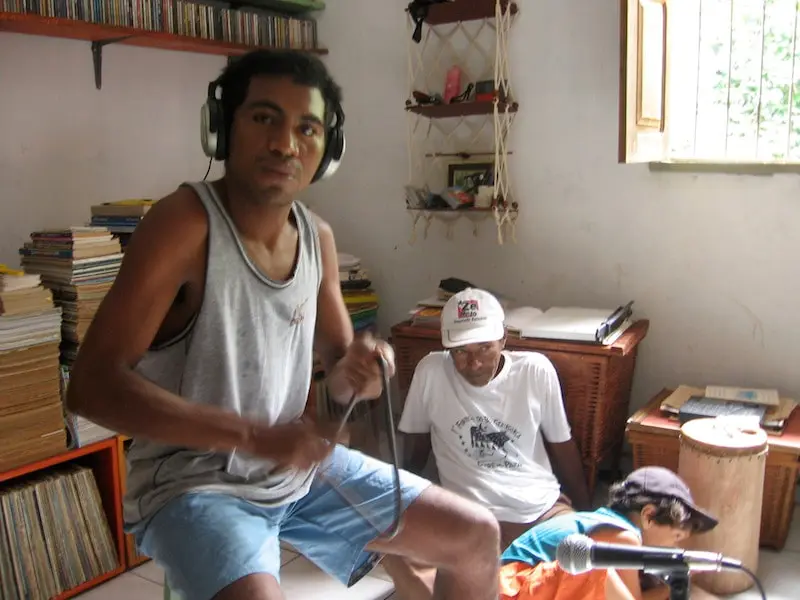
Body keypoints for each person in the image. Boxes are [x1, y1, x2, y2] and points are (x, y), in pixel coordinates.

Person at [65, 50, 500, 600]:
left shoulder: (317, 238)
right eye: (264, 118)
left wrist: (365, 369)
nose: (285, 144)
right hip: (194, 483)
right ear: (222, 128)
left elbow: (340, 369)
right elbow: (91, 386)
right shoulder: (183, 225)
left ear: (329, 150)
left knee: (476, 536)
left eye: (307, 128)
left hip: (294, 471)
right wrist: (252, 436)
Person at [383, 287, 592, 598]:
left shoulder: (535, 370)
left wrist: (586, 511)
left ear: (503, 338)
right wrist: (400, 508)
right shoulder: (431, 372)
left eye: (484, 348)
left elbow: (563, 445)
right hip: (469, 519)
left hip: (538, 510)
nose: (474, 363)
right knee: (402, 558)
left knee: (587, 566)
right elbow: (415, 450)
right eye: (460, 351)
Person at [498, 466, 721, 600]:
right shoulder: (624, 537)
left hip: (521, 587)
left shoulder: (603, 520)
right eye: (676, 537)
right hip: (510, 590)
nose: (674, 546)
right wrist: (676, 584)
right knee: (597, 568)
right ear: (649, 516)